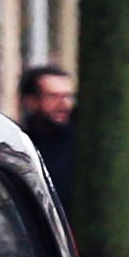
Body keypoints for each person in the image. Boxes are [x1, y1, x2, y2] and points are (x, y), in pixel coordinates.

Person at [13, 63, 79, 207]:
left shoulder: (80, 145)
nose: (64, 104)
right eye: (53, 96)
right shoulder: (18, 145)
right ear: (31, 101)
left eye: (68, 96)